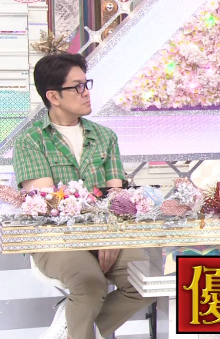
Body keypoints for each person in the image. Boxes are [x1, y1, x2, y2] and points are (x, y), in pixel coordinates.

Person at [12, 53, 154, 339]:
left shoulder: (104, 137)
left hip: (106, 234)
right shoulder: (30, 141)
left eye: (86, 84)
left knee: (148, 283)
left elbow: (117, 198)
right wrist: (97, 237)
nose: (86, 92)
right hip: (55, 240)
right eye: (77, 87)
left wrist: (109, 237)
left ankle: (74, 323)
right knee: (89, 284)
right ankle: (79, 320)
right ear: (53, 96)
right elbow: (51, 207)